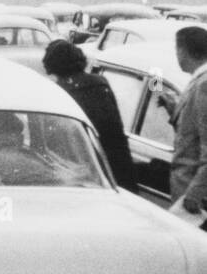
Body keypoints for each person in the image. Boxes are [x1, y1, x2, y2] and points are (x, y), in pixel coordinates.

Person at [42, 39, 138, 192]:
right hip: (115, 163)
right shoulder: (100, 83)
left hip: (79, 170)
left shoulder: (58, 91)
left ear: (51, 65)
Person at [171, 25, 207, 217]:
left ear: (183, 51)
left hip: (192, 197)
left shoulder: (204, 84)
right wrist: (174, 109)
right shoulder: (197, 79)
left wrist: (192, 197)